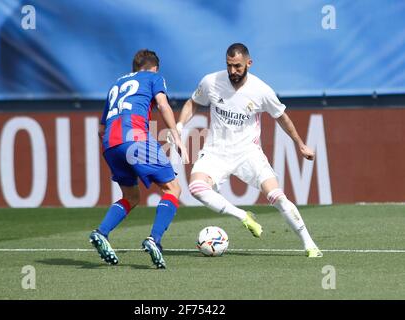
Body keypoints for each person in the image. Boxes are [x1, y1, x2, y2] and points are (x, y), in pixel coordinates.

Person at [177, 43, 322, 258]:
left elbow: (282, 117)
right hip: (216, 151)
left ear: (249, 63)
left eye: (237, 66)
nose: (233, 71)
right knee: (196, 188)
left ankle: (309, 244)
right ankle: (243, 216)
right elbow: (193, 102)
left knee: (277, 196)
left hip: (248, 153)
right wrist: (179, 126)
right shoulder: (211, 82)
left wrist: (300, 144)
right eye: (229, 66)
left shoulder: (261, 90)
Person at [90, 49, 189, 269]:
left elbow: (100, 129)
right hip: (134, 138)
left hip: (110, 143)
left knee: (131, 196)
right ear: (154, 67)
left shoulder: (115, 84)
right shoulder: (154, 77)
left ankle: (101, 233)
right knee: (173, 189)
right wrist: (177, 138)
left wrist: (113, 150)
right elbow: (163, 105)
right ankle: (154, 239)